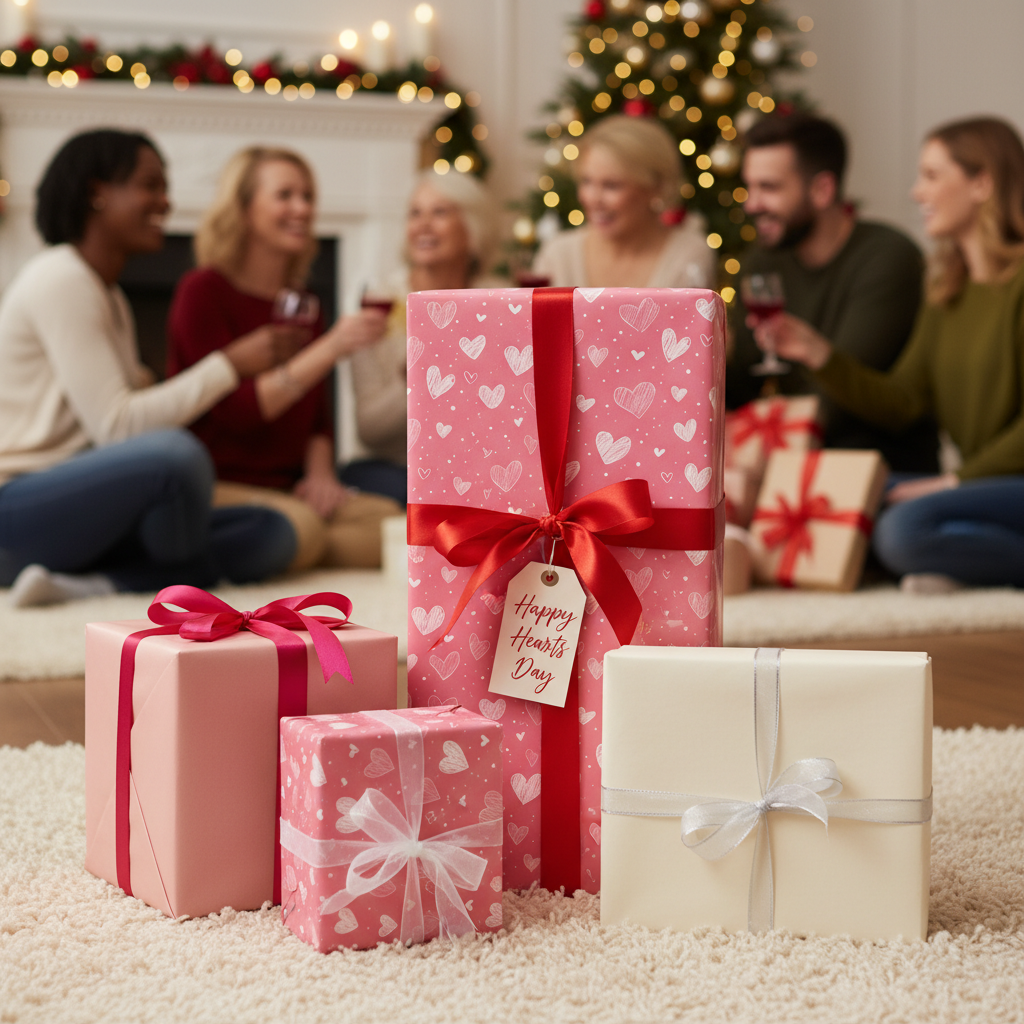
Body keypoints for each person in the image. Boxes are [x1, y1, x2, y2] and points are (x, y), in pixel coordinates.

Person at [0, 129, 299, 607]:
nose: (165, 201)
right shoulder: (61, 277)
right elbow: (118, 428)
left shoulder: (109, 294)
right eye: (150, 185)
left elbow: (124, 408)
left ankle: (91, 585)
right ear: (98, 193)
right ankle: (159, 575)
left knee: (272, 530)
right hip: (21, 509)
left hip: (87, 504)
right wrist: (230, 364)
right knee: (174, 458)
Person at [755, 117, 1024, 591]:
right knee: (853, 502)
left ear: (982, 183)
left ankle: (961, 556)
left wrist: (953, 482)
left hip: (998, 481)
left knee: (902, 531)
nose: (917, 193)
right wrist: (818, 353)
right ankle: (965, 558)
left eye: (932, 176)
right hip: (983, 485)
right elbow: (902, 402)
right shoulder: (948, 293)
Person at [167, 146, 398, 571]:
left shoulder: (304, 304)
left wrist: (322, 477)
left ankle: (287, 550)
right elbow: (237, 412)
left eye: (307, 196)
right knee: (306, 529)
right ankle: (289, 543)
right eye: (285, 195)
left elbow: (317, 419)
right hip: (221, 484)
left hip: (290, 488)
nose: (302, 208)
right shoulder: (202, 291)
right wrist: (331, 347)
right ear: (244, 208)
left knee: (392, 524)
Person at [727, 112, 939, 472]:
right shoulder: (762, 261)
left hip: (873, 469)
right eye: (750, 187)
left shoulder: (888, 257)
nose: (752, 204)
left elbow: (835, 401)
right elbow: (745, 382)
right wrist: (717, 358)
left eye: (769, 188)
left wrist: (754, 449)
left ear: (822, 190)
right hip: (788, 459)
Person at [342, 168, 501, 506]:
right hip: (398, 467)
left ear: (472, 230)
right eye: (415, 213)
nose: (423, 225)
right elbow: (369, 432)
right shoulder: (378, 306)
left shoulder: (500, 302)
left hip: (478, 464)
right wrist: (413, 380)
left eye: (439, 212)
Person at [532, 115, 714, 289]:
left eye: (611, 185)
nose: (593, 199)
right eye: (586, 181)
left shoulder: (688, 254)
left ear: (655, 188)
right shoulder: (557, 255)